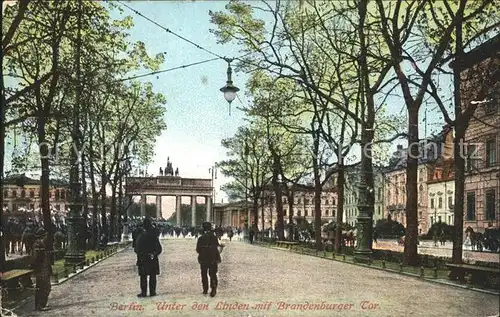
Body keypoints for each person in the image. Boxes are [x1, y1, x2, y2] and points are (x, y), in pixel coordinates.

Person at [135, 218, 162, 297]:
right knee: (152, 276)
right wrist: (154, 254)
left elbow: (137, 249)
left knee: (143, 276)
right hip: (152, 258)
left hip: (143, 258)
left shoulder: (141, 236)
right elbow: (159, 249)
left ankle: (143, 292)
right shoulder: (154, 236)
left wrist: (141, 255)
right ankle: (152, 292)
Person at [196, 222, 224, 297]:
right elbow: (217, 246)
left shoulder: (201, 238)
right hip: (213, 258)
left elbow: (198, 250)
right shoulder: (214, 237)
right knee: (213, 274)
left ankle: (205, 289)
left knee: (204, 274)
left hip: (203, 258)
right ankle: (213, 289)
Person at [31, 228, 52, 311]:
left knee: (44, 287)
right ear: (43, 236)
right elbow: (36, 258)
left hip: (44, 268)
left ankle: (41, 304)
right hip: (41, 269)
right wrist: (37, 267)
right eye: (45, 235)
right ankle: (40, 305)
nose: (47, 236)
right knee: (43, 287)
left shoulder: (41, 244)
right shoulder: (38, 245)